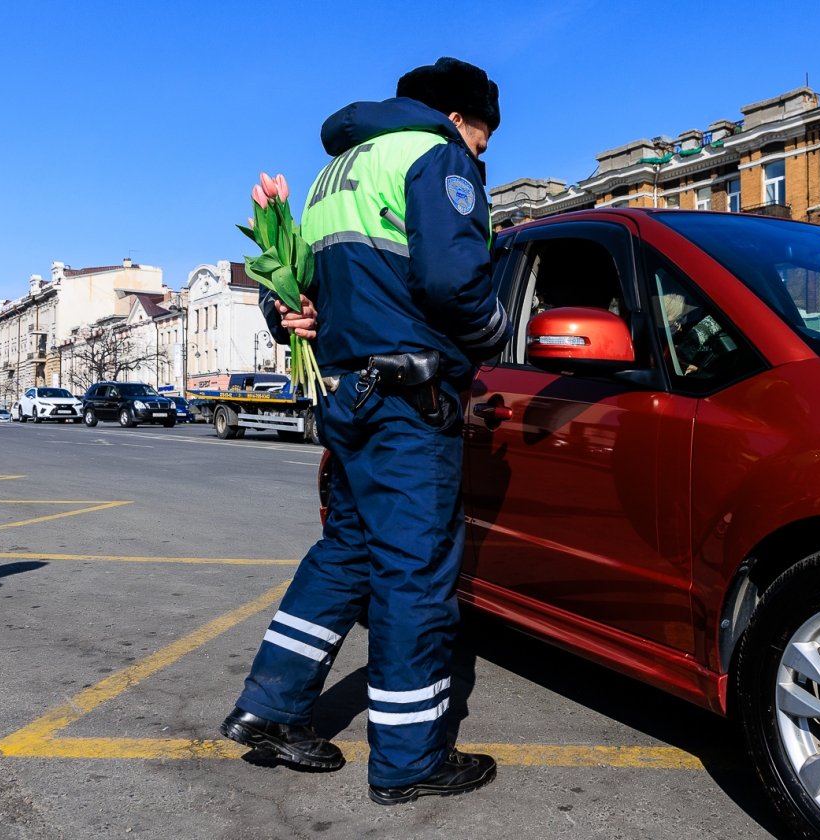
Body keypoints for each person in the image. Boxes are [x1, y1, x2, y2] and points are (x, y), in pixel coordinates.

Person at [222, 56, 509, 806]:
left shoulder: (332, 177)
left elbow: (284, 300)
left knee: (345, 552)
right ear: (457, 117)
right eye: (483, 135)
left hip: (347, 395)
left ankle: (272, 706)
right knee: (414, 574)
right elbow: (455, 282)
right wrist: (493, 334)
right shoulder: (434, 155)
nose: (482, 153)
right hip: (411, 402)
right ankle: (410, 761)